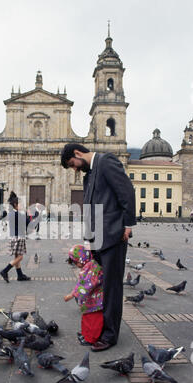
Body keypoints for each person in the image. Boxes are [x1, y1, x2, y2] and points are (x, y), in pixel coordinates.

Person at [61, 143, 136, 351]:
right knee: (99, 288)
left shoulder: (106, 161)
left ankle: (110, 335)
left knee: (112, 288)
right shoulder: (90, 174)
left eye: (72, 164)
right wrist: (88, 239)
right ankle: (97, 330)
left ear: (78, 153)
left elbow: (126, 191)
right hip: (97, 239)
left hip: (113, 235)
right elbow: (90, 210)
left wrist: (128, 224)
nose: (74, 169)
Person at [64, 245, 104, 346]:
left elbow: (87, 285)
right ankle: (86, 335)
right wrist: (75, 292)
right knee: (86, 317)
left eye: (76, 262)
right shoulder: (88, 265)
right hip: (89, 300)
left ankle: (91, 339)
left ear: (82, 259)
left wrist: (73, 294)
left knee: (93, 321)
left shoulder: (92, 267)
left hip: (95, 301)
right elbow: (82, 283)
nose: (76, 265)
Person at [0, 191, 31, 282]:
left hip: (13, 237)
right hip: (19, 237)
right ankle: (5, 271)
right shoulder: (19, 214)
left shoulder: (10, 213)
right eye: (20, 204)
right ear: (15, 204)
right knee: (20, 257)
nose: (22, 206)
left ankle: (20, 275)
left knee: (16, 256)